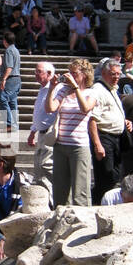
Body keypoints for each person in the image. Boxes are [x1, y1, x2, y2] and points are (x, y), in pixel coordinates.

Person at [46, 60, 97, 207]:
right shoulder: (63, 91)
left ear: (85, 75)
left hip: (79, 147)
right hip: (60, 145)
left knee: (81, 190)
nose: (71, 76)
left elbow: (85, 108)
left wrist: (75, 88)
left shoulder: (91, 93)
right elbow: (50, 108)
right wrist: (52, 88)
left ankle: (83, 222)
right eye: (70, 72)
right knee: (60, 190)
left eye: (75, 73)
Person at [88, 57, 126, 201]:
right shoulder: (98, 90)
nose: (116, 77)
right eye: (113, 74)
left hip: (116, 138)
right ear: (104, 73)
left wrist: (124, 121)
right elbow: (92, 119)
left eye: (118, 74)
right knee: (106, 177)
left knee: (114, 175)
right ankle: (98, 203)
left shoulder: (113, 89)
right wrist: (97, 144)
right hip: (104, 138)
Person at [0, 29, 22, 134]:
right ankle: (14, 124)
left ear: (5, 41)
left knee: (3, 98)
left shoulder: (8, 51)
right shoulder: (16, 50)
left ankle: (10, 123)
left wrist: (4, 78)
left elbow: (9, 67)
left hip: (11, 78)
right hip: (17, 78)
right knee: (12, 102)